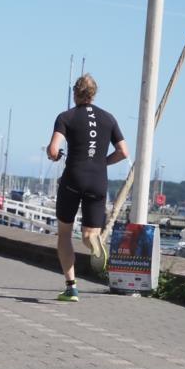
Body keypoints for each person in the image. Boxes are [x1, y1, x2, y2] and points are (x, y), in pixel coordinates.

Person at [47, 74, 129, 302]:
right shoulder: (108, 118)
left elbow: (54, 149)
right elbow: (124, 151)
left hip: (73, 178)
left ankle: (71, 287)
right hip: (98, 180)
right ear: (94, 94)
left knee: (64, 233)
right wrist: (103, 161)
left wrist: (52, 155)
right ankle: (93, 241)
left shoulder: (66, 117)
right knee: (89, 234)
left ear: (75, 93)